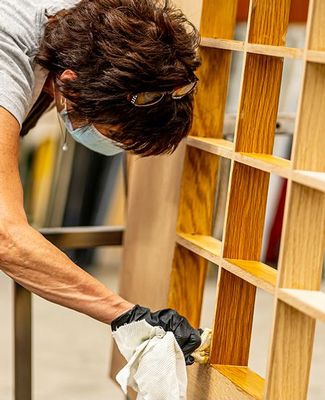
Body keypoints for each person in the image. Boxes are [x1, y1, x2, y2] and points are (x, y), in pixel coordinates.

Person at [0, 0, 202, 369]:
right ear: (69, 84)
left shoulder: (97, 29)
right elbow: (5, 235)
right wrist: (127, 315)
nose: (110, 145)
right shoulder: (6, 57)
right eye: (111, 133)